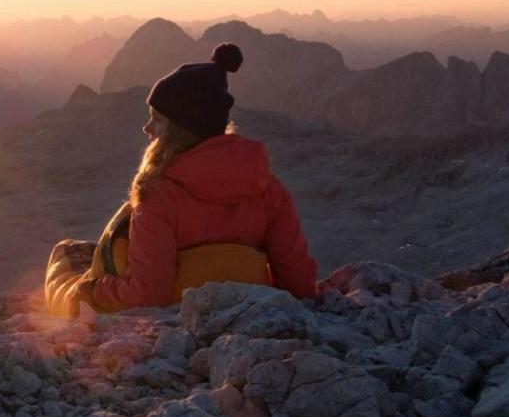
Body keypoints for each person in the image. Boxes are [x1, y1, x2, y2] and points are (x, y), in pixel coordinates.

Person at [44, 43, 317, 316]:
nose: (147, 128)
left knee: (68, 253)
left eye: (157, 120)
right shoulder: (268, 189)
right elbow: (299, 283)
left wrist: (95, 290)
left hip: (174, 311)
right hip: (245, 308)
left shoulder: (159, 195)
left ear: (179, 131)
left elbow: (147, 293)